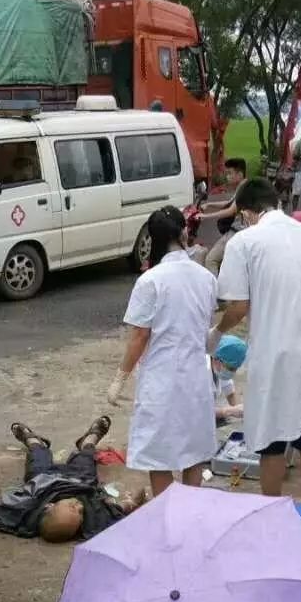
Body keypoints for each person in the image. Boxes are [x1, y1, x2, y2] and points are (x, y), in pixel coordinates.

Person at [212, 177, 301, 505]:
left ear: (246, 213)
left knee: (271, 437)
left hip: (277, 348)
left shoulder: (245, 242)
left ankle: (271, 512)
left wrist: (216, 332)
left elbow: (238, 307)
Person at [108, 205, 218, 495]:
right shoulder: (205, 277)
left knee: (160, 452)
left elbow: (140, 335)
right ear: (184, 232)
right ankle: (189, 511)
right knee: (193, 448)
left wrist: (120, 378)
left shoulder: (151, 280)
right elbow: (204, 322)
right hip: (197, 372)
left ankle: (168, 515)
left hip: (163, 375)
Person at [0, 416, 146, 541]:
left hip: (43, 479)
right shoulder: (91, 519)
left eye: (72, 508)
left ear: (49, 507)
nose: (79, 507)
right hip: (81, 479)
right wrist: (131, 503)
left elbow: (1, 509)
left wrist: (7, 501)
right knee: (86, 457)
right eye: (80, 515)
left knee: (37, 456)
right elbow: (114, 516)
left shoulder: (30, 508)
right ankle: (89, 440)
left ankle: (32, 440)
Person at [200, 157, 248, 275]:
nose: (227, 177)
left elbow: (231, 210)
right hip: (240, 230)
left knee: (211, 260)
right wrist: (209, 204)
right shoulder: (243, 186)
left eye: (230, 173)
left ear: (240, 174)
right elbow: (228, 203)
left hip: (237, 231)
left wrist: (206, 216)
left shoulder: (244, 188)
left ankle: (216, 291)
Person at [211, 334, 247, 423]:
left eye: (235, 368)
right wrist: (227, 411)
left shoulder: (220, 368)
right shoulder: (201, 373)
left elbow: (230, 393)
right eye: (231, 368)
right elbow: (197, 409)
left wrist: (240, 409)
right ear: (217, 361)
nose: (232, 372)